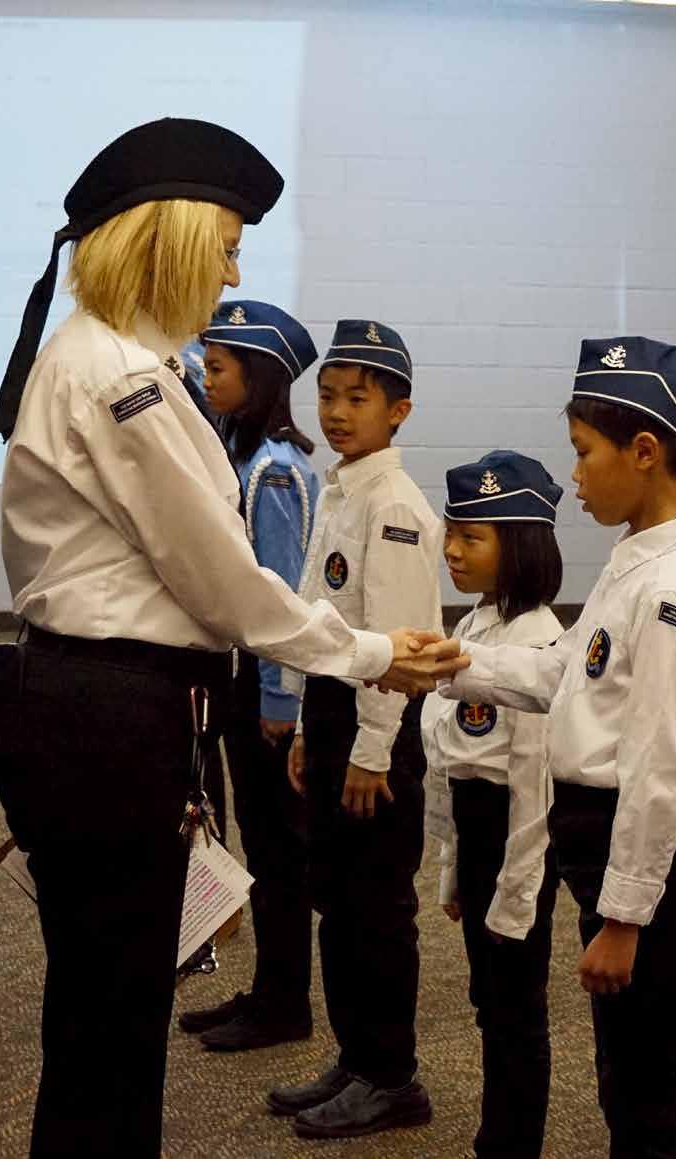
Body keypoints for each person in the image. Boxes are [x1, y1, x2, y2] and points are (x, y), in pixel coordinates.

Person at [0, 118, 463, 1159]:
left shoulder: (103, 359)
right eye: (228, 248)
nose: (234, 273)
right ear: (169, 243)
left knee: (100, 1013)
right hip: (108, 716)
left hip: (85, 706)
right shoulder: (121, 377)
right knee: (112, 1024)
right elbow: (223, 582)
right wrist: (372, 653)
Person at [440, 336, 676, 1158]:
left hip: (646, 859)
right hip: (608, 850)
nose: (571, 476)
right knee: (623, 1077)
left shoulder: (671, 588)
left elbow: (661, 767)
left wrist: (625, 917)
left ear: (643, 452)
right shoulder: (634, 560)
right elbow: (563, 671)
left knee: (650, 1094)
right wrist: (454, 664)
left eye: (582, 452)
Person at [267, 319, 444, 1141]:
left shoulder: (395, 505)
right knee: (336, 898)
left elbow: (400, 644)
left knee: (376, 906)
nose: (337, 412)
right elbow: (322, 620)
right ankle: (356, 1055)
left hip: (381, 725)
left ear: (398, 410)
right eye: (328, 396)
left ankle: (392, 1075)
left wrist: (372, 751)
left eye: (358, 398)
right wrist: (309, 724)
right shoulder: (341, 489)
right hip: (336, 710)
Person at [174, 300, 322, 1052]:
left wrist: (277, 701)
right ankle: (268, 989)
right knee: (261, 845)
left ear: (256, 378)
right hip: (240, 680)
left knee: (277, 849)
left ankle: (285, 1003)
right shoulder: (241, 451)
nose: (206, 376)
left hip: (267, 691)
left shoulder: (275, 473)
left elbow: (280, 596)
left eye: (219, 367)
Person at [423, 450, 567, 1158]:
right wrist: (454, 870)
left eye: (470, 537)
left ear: (520, 548)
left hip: (517, 846)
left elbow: (536, 791)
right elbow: (453, 760)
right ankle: (497, 1137)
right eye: (451, 532)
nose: (451, 549)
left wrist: (515, 896)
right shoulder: (477, 625)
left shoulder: (539, 643)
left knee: (515, 1011)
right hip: (479, 834)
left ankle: (513, 1144)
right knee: (490, 1003)